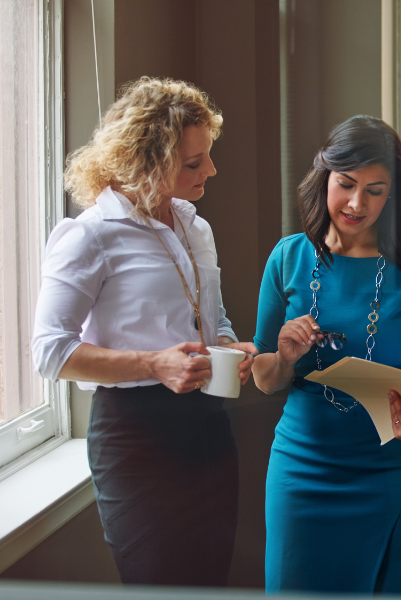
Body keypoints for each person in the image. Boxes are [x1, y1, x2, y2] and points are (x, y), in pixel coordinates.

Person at [31, 77, 257, 587]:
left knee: (210, 583)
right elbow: (49, 351)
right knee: (158, 587)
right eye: (194, 162)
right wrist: (154, 364)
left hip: (209, 428)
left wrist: (229, 347)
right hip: (135, 437)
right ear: (146, 161)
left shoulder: (196, 228)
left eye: (208, 156)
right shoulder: (90, 236)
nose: (211, 170)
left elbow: (212, 321)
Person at [252, 115, 401, 594]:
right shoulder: (288, 257)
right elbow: (264, 377)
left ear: (393, 195)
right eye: (345, 184)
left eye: (374, 191)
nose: (356, 203)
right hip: (302, 473)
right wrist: (284, 357)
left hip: (399, 473)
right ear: (324, 176)